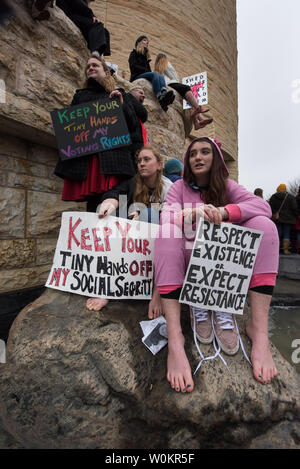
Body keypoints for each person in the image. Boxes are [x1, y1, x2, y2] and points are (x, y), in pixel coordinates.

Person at [154, 137, 279, 392]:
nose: (198, 157)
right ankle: (177, 339)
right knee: (166, 232)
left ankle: (257, 329)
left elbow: (262, 206)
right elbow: (166, 215)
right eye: (193, 154)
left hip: (223, 269)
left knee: (266, 227)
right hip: (188, 267)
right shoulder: (178, 188)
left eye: (205, 152)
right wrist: (192, 214)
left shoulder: (228, 186)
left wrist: (224, 213)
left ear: (217, 159)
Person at [86, 145, 173, 318]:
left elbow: (173, 215)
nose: (141, 164)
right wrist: (108, 204)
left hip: (158, 242)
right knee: (108, 214)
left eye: (147, 159)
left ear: (159, 164)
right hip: (133, 242)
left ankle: (157, 291)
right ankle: (109, 287)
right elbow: (117, 193)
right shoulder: (133, 182)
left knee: (151, 215)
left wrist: (144, 214)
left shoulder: (169, 187)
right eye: (139, 160)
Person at [54, 55, 139, 212]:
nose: (91, 68)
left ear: (106, 72)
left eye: (95, 65)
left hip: (114, 160)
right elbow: (70, 128)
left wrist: (121, 105)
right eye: (88, 67)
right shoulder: (80, 96)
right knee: (93, 208)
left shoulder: (119, 93)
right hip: (89, 163)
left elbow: (133, 125)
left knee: (115, 202)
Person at [154, 53, 213, 130]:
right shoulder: (165, 63)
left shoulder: (157, 68)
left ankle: (198, 122)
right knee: (186, 88)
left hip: (168, 84)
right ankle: (198, 107)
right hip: (171, 83)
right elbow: (172, 75)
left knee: (188, 102)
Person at [128, 35, 175, 112]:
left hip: (144, 75)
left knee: (159, 74)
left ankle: (164, 93)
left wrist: (150, 73)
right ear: (139, 42)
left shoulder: (145, 57)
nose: (147, 42)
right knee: (155, 74)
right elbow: (133, 66)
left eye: (148, 42)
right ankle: (159, 97)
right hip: (136, 76)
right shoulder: (133, 53)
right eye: (145, 40)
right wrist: (147, 72)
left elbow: (149, 71)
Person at [269, 184, 298, 255]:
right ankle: (286, 250)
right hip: (288, 219)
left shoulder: (273, 197)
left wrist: (274, 213)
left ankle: (276, 249)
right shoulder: (290, 197)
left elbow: (270, 207)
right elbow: (294, 208)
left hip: (277, 219)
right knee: (286, 234)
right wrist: (296, 215)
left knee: (278, 234)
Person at [127, 87, 149, 157]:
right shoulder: (125, 100)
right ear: (132, 93)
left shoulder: (137, 114)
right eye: (140, 92)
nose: (143, 96)